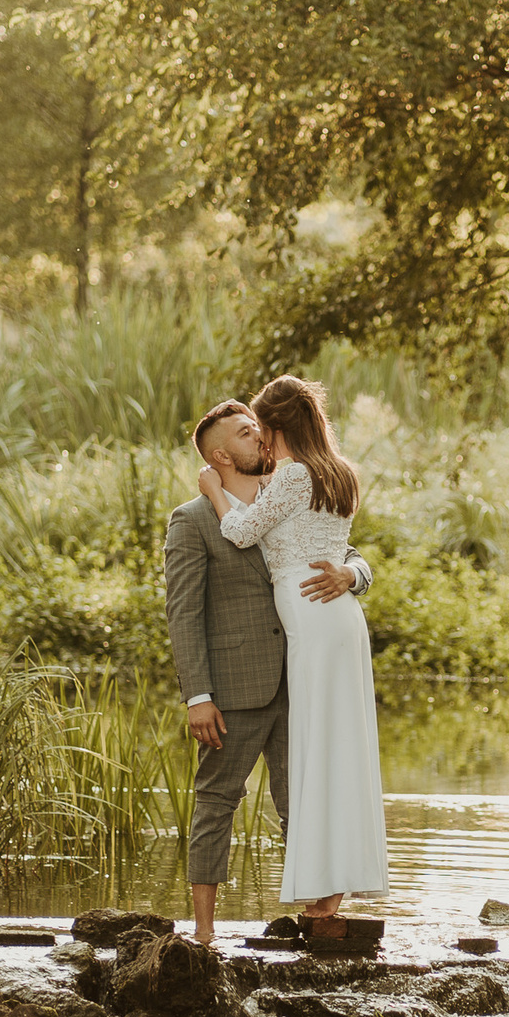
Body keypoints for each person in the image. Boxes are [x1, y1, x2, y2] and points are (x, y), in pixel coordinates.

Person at [163, 398, 373, 944]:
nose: (257, 436)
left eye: (257, 426)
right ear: (219, 454)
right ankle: (204, 930)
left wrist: (353, 573)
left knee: (303, 796)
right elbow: (184, 614)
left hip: (304, 676)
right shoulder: (192, 520)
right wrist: (197, 695)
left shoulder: (294, 488)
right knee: (215, 800)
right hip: (236, 686)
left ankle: (320, 916)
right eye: (243, 431)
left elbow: (343, 548)